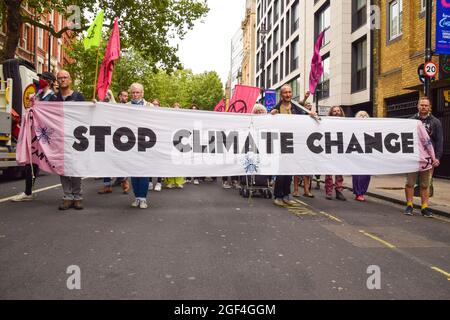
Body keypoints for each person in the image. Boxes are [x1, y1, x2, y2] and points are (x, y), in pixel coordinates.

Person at [12, 71, 56, 202]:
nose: (40, 80)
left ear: (49, 81)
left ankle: (71, 193)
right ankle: (28, 192)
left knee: (53, 161)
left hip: (46, 135)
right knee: (32, 161)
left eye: (43, 78)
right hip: (35, 134)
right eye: (40, 78)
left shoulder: (53, 97)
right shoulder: (38, 95)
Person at [270, 85, 318, 207]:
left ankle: (286, 195)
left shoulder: (296, 107)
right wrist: (271, 115)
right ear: (281, 95)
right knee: (281, 171)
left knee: (290, 170)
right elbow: (268, 122)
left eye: (289, 92)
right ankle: (278, 196)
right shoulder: (276, 108)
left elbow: (305, 118)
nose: (288, 94)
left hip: (294, 142)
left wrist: (311, 115)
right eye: (285, 92)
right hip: (281, 142)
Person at [50, 70, 86, 210]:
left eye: (65, 77)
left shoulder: (78, 96)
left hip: (76, 138)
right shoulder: (53, 99)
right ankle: (67, 196)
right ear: (57, 81)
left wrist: (94, 105)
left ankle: (77, 196)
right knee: (63, 168)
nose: (62, 80)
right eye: (60, 78)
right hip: (60, 138)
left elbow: (87, 114)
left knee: (75, 167)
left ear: (70, 80)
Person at [404, 97, 443, 217]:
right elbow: (405, 139)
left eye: (426, 105)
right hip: (413, 158)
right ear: (418, 106)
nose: (424, 107)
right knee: (410, 183)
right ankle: (409, 205)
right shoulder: (411, 121)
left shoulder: (435, 122)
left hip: (428, 159)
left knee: (425, 185)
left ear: (429, 107)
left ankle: (424, 207)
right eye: (422, 105)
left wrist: (437, 157)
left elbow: (439, 141)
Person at [98, 89, 130, 194]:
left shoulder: (129, 107)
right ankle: (107, 185)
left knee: (120, 161)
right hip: (108, 137)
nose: (125, 98)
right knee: (105, 161)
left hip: (122, 138)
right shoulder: (106, 106)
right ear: (119, 96)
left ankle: (124, 181)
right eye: (123, 95)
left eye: (126, 96)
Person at [127, 83, 151, 209]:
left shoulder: (150, 106)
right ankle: (136, 197)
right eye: (133, 92)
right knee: (134, 171)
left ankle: (143, 198)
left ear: (142, 93)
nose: (135, 95)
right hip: (130, 143)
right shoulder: (125, 107)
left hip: (145, 142)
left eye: (138, 92)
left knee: (143, 171)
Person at [325, 106, 347, 201]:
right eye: (334, 111)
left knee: (339, 171)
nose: (337, 112)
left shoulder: (346, 123)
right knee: (329, 172)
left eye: (338, 111)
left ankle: (339, 191)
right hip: (330, 148)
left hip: (340, 149)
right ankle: (329, 191)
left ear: (341, 112)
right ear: (331, 113)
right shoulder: (327, 123)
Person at [165, 102, 185, 189]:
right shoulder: (169, 120)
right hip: (171, 143)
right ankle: (170, 181)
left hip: (180, 143)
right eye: (175, 108)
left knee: (179, 162)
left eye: (178, 108)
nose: (176, 110)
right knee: (170, 162)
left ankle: (179, 181)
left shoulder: (183, 120)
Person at [352, 111, 371, 202]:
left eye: (365, 115)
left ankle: (362, 192)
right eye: (361, 115)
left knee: (366, 175)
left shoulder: (371, 128)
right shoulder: (354, 127)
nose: (363, 117)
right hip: (357, 153)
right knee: (358, 174)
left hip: (368, 154)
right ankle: (358, 192)